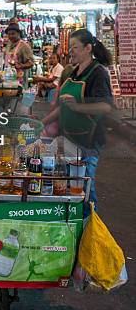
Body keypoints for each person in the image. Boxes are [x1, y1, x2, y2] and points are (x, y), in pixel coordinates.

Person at [42, 29, 113, 215]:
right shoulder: (74, 72)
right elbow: (63, 106)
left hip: (88, 143)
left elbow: (106, 106)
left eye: (75, 47)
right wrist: (42, 123)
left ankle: (91, 232)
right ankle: (75, 228)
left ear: (88, 48)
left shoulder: (98, 73)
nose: (70, 51)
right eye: (70, 47)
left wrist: (78, 107)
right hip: (70, 140)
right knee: (71, 189)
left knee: (85, 191)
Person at [4, 22, 34, 88]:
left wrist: (21, 66)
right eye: (9, 34)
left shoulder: (24, 46)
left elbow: (31, 63)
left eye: (13, 34)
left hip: (20, 80)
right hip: (8, 78)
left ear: (18, 34)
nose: (11, 36)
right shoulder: (9, 44)